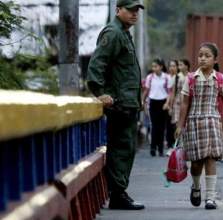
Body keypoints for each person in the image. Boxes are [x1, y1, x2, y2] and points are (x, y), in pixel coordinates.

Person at [86, 0, 145, 210]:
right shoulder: (113, 33)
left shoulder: (124, 33)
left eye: (137, 10)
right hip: (119, 104)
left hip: (127, 103)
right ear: (118, 10)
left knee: (126, 148)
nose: (135, 14)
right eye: (130, 10)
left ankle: (120, 192)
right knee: (121, 148)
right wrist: (101, 93)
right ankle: (118, 195)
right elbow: (96, 65)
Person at [175, 43, 223, 210]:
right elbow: (184, 103)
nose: (202, 58)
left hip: (213, 122)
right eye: (200, 55)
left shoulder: (221, 79)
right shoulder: (190, 78)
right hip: (194, 122)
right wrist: (180, 125)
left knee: (211, 158)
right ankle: (196, 187)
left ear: (215, 59)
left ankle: (210, 198)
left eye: (207, 55)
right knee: (196, 163)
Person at [142, 58, 170, 157]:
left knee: (162, 127)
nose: (154, 68)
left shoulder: (166, 77)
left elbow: (170, 91)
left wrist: (167, 103)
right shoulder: (150, 77)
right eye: (153, 66)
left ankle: (161, 149)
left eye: (156, 66)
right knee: (154, 126)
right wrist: (143, 101)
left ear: (161, 67)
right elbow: (146, 90)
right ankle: (153, 148)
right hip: (153, 102)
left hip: (163, 102)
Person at [166, 59, 191, 156]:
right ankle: (176, 146)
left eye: (181, 65)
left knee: (186, 125)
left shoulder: (190, 76)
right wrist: (170, 106)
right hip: (177, 103)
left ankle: (185, 146)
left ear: (187, 66)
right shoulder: (176, 77)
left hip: (188, 103)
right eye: (179, 65)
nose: (179, 67)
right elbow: (173, 92)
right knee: (177, 125)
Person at [165, 60, 180, 152]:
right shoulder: (167, 77)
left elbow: (172, 93)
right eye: (170, 66)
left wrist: (169, 104)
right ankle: (170, 145)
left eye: (174, 66)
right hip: (168, 102)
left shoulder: (178, 77)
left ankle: (176, 145)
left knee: (176, 124)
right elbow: (169, 92)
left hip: (175, 103)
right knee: (169, 125)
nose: (172, 68)